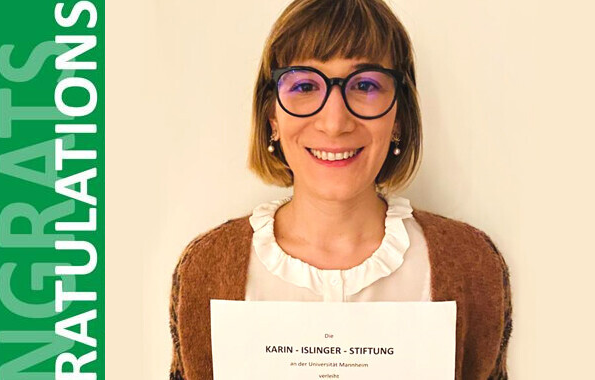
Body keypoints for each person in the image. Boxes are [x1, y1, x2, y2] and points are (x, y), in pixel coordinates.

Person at [169, 0, 512, 379]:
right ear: (272, 118)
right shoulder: (207, 269)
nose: (334, 123)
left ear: (398, 117)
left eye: (365, 84)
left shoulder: (469, 265)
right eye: (304, 85)